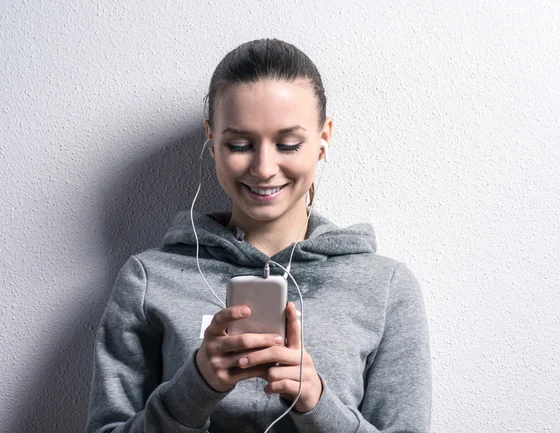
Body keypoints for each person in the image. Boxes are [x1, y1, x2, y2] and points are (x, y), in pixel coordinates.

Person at [83, 38, 432, 433]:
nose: (264, 168)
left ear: (324, 139)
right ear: (212, 142)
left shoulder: (384, 288)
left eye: (288, 144)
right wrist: (194, 388)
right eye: (239, 144)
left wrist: (317, 402)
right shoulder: (149, 279)